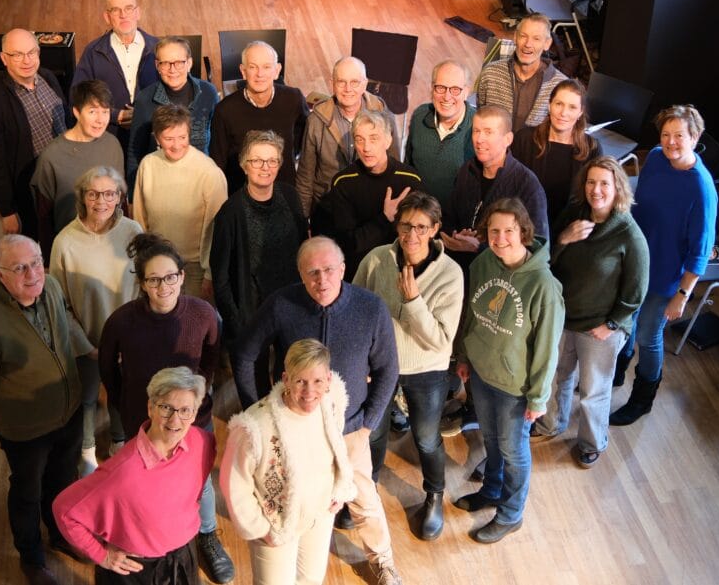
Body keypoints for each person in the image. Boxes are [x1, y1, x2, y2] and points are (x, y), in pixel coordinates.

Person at [233, 236, 403, 585]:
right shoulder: (281, 304)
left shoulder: (371, 308)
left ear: (343, 269)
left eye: (328, 270)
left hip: (349, 429)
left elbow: (388, 370)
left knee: (364, 497)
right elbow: (246, 355)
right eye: (312, 272)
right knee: (297, 491)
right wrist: (258, 412)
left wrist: (367, 425)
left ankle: (382, 560)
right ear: (300, 274)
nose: (321, 280)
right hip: (293, 428)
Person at [98, 233, 234, 583]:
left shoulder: (202, 314)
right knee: (145, 485)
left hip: (192, 419)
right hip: (141, 420)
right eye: (154, 280)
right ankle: (151, 537)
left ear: (182, 276)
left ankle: (206, 535)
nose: (164, 287)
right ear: (142, 283)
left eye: (170, 277)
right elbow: (108, 369)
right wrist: (126, 403)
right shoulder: (122, 321)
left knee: (199, 481)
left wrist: (198, 394)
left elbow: (211, 355)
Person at [0, 235, 83, 585]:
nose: (33, 273)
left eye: (36, 261)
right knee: (28, 492)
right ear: (0, 275)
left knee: (64, 478)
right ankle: (31, 557)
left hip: (69, 412)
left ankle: (60, 534)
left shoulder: (51, 286)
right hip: (26, 431)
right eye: (20, 268)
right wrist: (10, 405)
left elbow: (63, 329)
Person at [353, 191, 463, 540]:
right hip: (380, 366)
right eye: (405, 226)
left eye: (421, 227)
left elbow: (441, 340)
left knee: (427, 438)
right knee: (373, 433)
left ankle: (434, 495)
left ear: (435, 229)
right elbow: (355, 311)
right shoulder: (376, 260)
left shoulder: (451, 274)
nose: (411, 235)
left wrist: (413, 300)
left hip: (426, 370)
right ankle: (365, 491)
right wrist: (360, 359)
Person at [453, 198, 563, 544]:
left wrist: (539, 397)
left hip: (516, 387)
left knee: (514, 450)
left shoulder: (544, 286)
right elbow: (471, 313)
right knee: (490, 439)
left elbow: (547, 348)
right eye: (493, 231)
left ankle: (511, 514)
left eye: (508, 231)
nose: (500, 239)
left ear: (524, 232)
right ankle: (491, 489)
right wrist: (464, 355)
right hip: (482, 374)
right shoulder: (484, 262)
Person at [531, 157, 649, 467]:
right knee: (556, 376)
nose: (596, 190)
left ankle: (591, 442)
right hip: (563, 317)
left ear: (618, 188)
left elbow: (636, 291)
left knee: (593, 390)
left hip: (599, 327)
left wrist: (612, 324)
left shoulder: (629, 235)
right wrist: (563, 239)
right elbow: (546, 260)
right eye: (591, 182)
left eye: (604, 184)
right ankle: (550, 423)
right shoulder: (573, 215)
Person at [53, 367, 215, 585]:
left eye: (185, 410)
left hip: (184, 554)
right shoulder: (121, 472)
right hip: (138, 570)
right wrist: (101, 555)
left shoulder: (202, 442)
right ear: (150, 408)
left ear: (194, 414)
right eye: (166, 408)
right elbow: (64, 510)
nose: (175, 420)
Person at [610, 105, 718, 425]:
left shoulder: (701, 189)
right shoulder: (656, 157)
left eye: (679, 136)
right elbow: (642, 207)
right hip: (636, 261)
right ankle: (618, 369)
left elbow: (700, 251)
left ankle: (642, 399)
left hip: (665, 276)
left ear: (695, 137)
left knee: (648, 334)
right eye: (666, 134)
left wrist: (682, 296)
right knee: (627, 318)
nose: (671, 142)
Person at [220, 339, 356, 585]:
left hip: (320, 516)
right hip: (277, 526)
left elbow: (335, 446)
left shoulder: (331, 403)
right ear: (285, 379)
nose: (309, 392)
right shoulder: (254, 426)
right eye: (300, 381)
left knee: (311, 579)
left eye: (317, 381)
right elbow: (234, 483)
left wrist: (338, 489)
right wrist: (261, 529)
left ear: (328, 379)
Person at [49, 166, 142, 476]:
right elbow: (60, 303)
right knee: (86, 399)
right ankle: (86, 450)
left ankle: (119, 441)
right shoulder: (65, 242)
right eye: (93, 194)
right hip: (86, 341)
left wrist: (131, 340)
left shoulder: (133, 232)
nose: (101, 201)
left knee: (121, 393)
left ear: (119, 197)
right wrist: (87, 347)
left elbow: (143, 287)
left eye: (109, 194)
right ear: (82, 197)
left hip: (127, 340)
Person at [210, 130, 307, 398]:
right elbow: (220, 277)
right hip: (250, 313)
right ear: (244, 165)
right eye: (257, 161)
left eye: (272, 160)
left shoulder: (291, 197)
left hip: (290, 306)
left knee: (289, 385)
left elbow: (303, 249)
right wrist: (236, 321)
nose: (265, 167)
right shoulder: (230, 213)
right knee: (256, 393)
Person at [0, 28, 69, 239]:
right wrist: (7, 211)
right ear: (4, 58)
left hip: (64, 177)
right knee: (40, 246)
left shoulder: (47, 77)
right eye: (17, 55)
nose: (27, 61)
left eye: (31, 52)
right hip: (33, 191)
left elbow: (66, 122)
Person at [312, 109, 421, 280]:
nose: (366, 148)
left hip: (400, 272)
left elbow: (420, 238)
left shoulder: (410, 179)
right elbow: (347, 243)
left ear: (388, 141)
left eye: (373, 138)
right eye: (359, 139)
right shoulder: (343, 182)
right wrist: (385, 218)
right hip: (358, 273)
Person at [133, 104, 228, 300]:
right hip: (156, 262)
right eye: (169, 139)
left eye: (182, 137)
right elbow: (139, 218)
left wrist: (210, 274)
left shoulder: (209, 172)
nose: (176, 145)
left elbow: (216, 229)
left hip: (194, 269)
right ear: (157, 138)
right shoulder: (148, 165)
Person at [442, 105, 548, 273]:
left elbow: (536, 246)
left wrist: (479, 247)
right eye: (476, 131)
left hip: (501, 277)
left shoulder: (527, 184)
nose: (479, 139)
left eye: (488, 132)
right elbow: (449, 216)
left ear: (508, 139)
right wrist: (454, 235)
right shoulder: (466, 171)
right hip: (461, 272)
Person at [295, 56, 400, 216]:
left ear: (365, 84)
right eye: (341, 82)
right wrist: (303, 220)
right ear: (332, 83)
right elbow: (305, 177)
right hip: (328, 207)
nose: (348, 89)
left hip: (371, 207)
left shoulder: (384, 116)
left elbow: (395, 167)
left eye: (354, 82)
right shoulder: (315, 121)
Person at [32, 79, 124, 257]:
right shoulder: (52, 156)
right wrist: (50, 261)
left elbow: (120, 201)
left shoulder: (113, 145)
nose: (100, 120)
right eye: (92, 111)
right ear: (76, 112)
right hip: (70, 248)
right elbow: (44, 218)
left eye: (105, 112)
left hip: (109, 245)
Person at [210, 40, 309, 195]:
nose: (260, 74)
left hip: (284, 190)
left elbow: (304, 136)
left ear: (277, 70)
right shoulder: (224, 110)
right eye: (253, 67)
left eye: (266, 67)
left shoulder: (294, 99)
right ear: (243, 71)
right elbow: (218, 162)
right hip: (241, 194)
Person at [126, 36, 219, 194]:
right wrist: (133, 195)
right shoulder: (145, 99)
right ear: (157, 66)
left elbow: (217, 144)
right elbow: (135, 151)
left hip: (201, 183)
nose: (172, 69)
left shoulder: (208, 93)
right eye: (165, 63)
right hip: (160, 186)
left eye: (179, 62)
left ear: (189, 63)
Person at [72, 0, 159, 150]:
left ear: (138, 13)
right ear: (107, 17)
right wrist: (115, 115)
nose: (123, 15)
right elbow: (78, 95)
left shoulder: (159, 48)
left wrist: (147, 113)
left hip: (152, 134)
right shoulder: (93, 52)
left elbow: (173, 92)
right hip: (108, 137)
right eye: (116, 10)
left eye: (128, 8)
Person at [511, 79, 601, 225]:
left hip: (569, 227)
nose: (563, 113)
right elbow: (509, 187)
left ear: (580, 112)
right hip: (523, 223)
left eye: (572, 107)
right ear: (549, 105)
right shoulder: (524, 139)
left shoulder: (592, 148)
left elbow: (593, 199)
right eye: (559, 104)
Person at [405, 59, 476, 211]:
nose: (447, 97)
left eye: (455, 89)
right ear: (432, 88)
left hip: (455, 219)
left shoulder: (478, 126)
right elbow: (408, 165)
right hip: (417, 213)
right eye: (441, 88)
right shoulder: (420, 115)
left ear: (466, 92)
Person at [476, 14, 566, 132]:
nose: (528, 44)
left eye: (536, 39)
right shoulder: (490, 73)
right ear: (515, 37)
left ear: (547, 44)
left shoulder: (560, 86)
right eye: (523, 36)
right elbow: (481, 115)